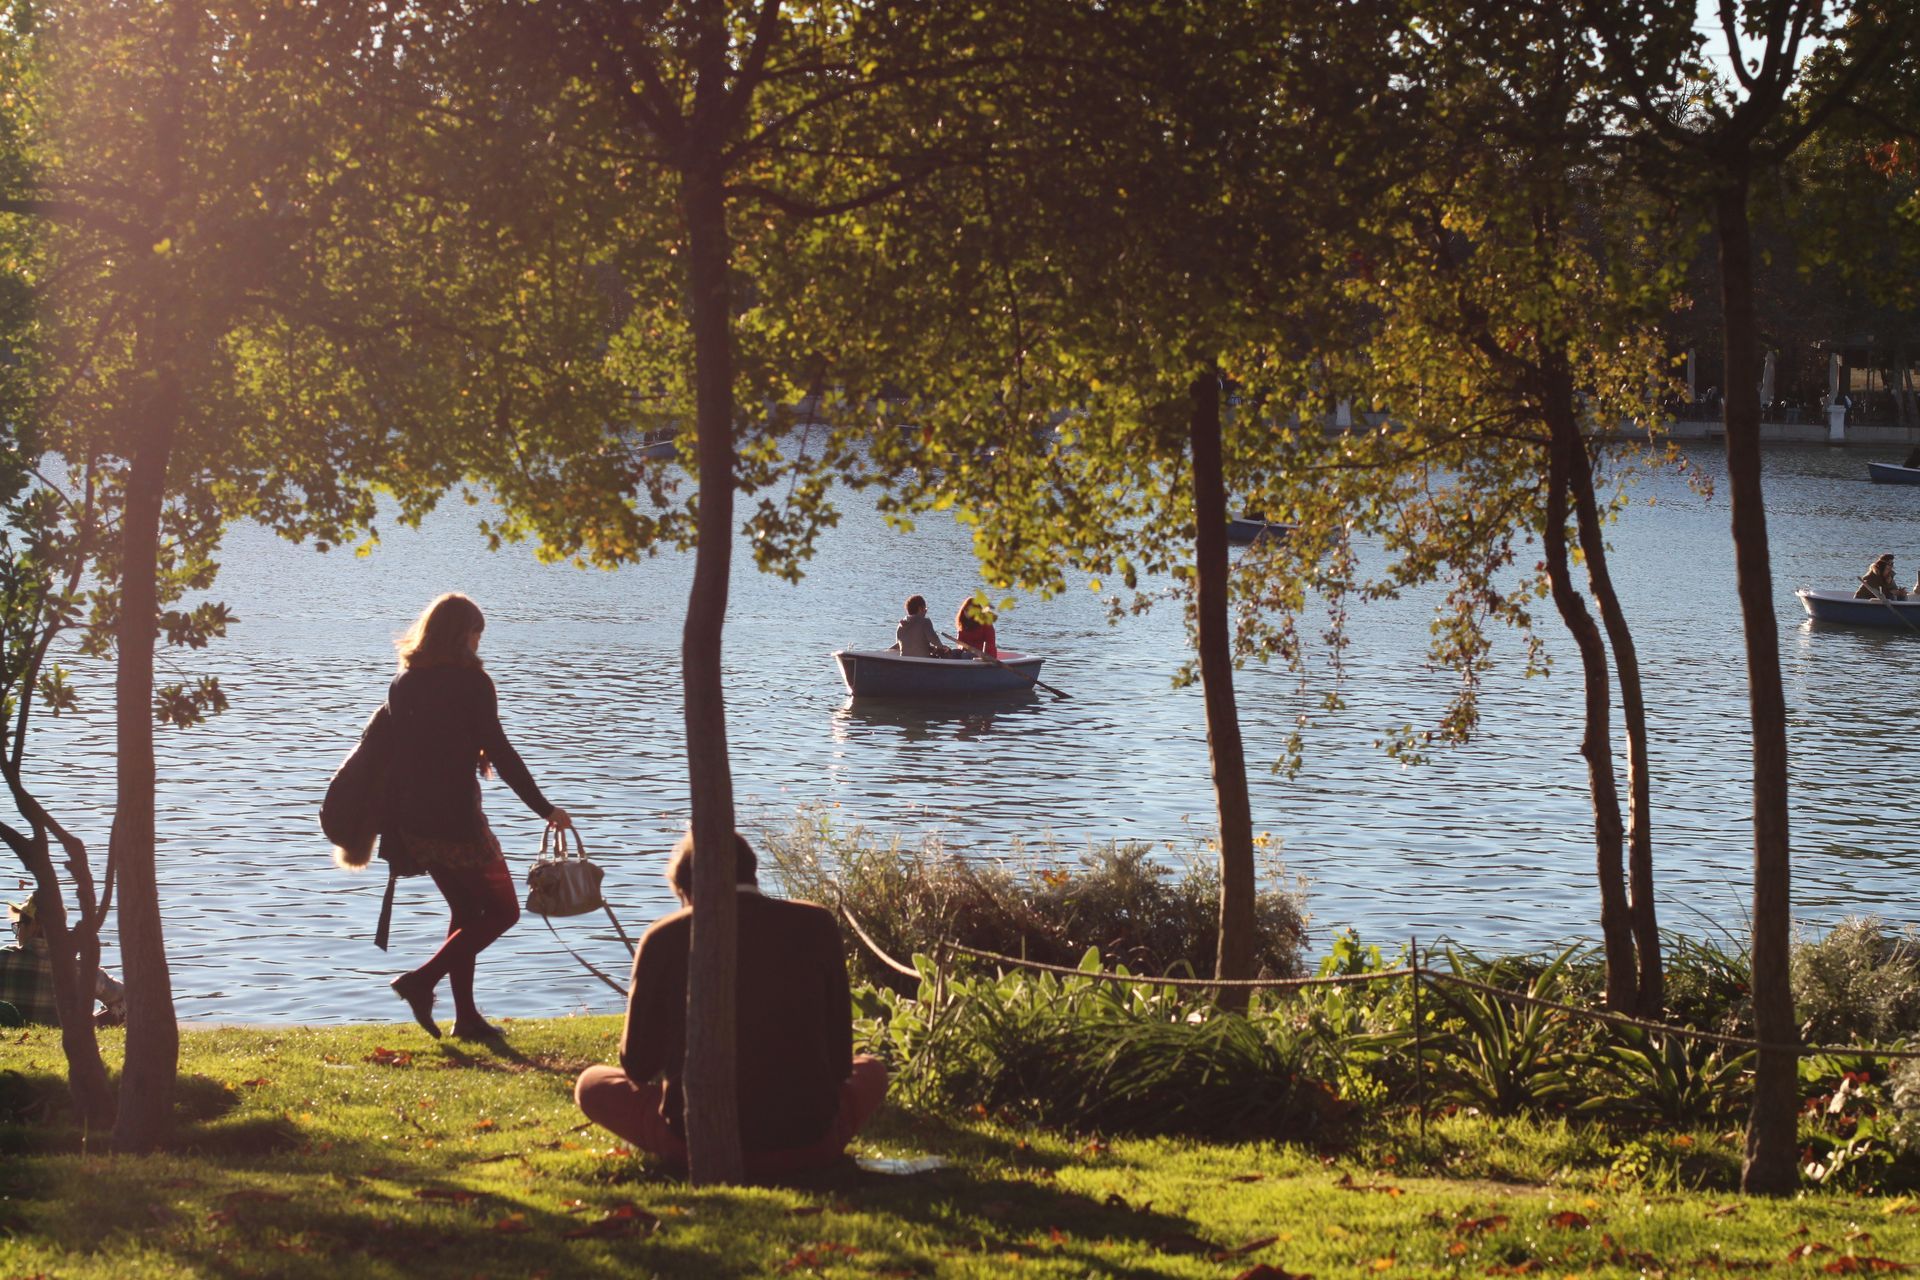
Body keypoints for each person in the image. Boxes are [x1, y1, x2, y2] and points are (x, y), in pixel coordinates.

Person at [574, 831, 889, 1177]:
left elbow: (637, 1066)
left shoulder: (664, 936)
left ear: (684, 890)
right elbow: (841, 1064)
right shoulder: (818, 923)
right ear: (752, 874)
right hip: (809, 1144)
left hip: (695, 1144)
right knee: (871, 1070)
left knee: (591, 1084)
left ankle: (679, 1148)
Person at [382, 592, 571, 1041]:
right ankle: (420, 981)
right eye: (475, 634)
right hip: (456, 821)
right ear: (461, 634)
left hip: (414, 822)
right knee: (503, 911)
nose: (478, 643)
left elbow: (398, 757)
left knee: (466, 911)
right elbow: (501, 753)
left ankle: (465, 1019)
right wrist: (544, 808)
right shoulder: (472, 683)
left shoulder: (404, 682)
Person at [0, 896, 124, 1028]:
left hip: (12, 1037)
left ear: (33, 926)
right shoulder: (79, 970)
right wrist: (96, 1023)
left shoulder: (3, 959)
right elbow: (127, 997)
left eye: (19, 927)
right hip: (65, 1041)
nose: (18, 934)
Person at [889, 594, 955, 658]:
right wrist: (943, 648)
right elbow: (935, 641)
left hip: (905, 659)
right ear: (920, 609)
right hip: (923, 659)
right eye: (925, 609)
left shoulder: (901, 625)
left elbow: (907, 644)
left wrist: (932, 648)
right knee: (950, 653)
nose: (926, 611)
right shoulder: (925, 622)